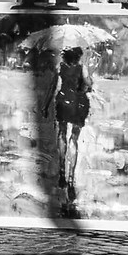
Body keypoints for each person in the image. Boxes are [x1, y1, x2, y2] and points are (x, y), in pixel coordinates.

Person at [51, 45, 92, 204]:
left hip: (63, 101)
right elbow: (88, 84)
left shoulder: (60, 66)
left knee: (61, 134)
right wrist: (88, 80)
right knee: (73, 139)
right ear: (78, 57)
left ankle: (62, 170)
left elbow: (54, 87)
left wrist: (46, 105)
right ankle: (71, 177)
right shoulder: (83, 67)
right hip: (79, 103)